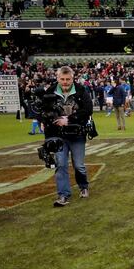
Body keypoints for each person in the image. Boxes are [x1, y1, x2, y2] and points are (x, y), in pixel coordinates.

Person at [45, 66, 93, 207]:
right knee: (61, 164)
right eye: (62, 79)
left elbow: (88, 110)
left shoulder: (81, 90)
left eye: (68, 79)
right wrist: (48, 123)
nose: (65, 82)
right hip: (58, 134)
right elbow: (44, 111)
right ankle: (63, 195)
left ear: (72, 78)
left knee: (79, 165)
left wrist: (69, 119)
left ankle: (83, 186)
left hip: (77, 134)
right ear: (57, 78)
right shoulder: (50, 91)